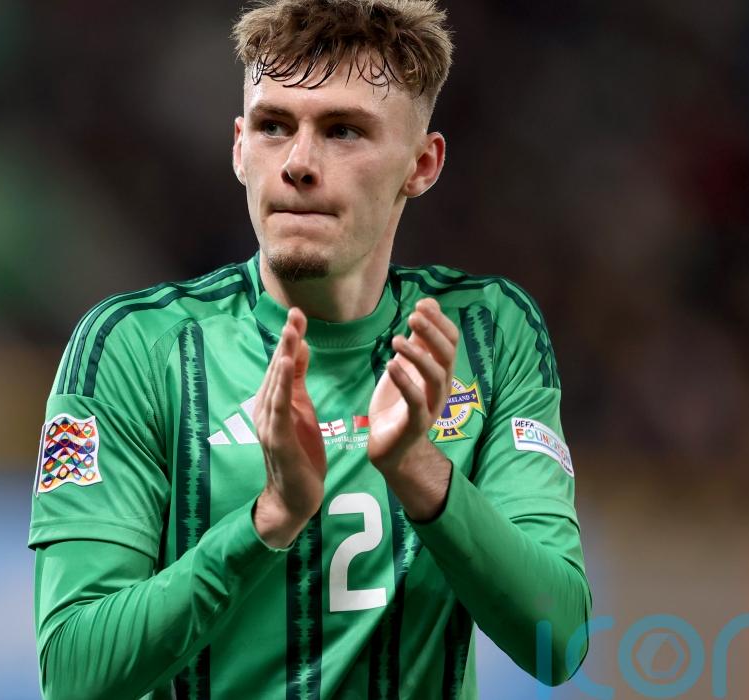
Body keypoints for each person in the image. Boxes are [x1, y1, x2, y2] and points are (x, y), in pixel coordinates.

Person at [29, 1, 592, 697]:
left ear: (422, 164)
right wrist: (269, 519)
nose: (297, 163)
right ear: (239, 148)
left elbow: (560, 640)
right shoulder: (135, 349)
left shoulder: (488, 333)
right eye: (273, 126)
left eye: (343, 130)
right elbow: (73, 674)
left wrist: (417, 469)